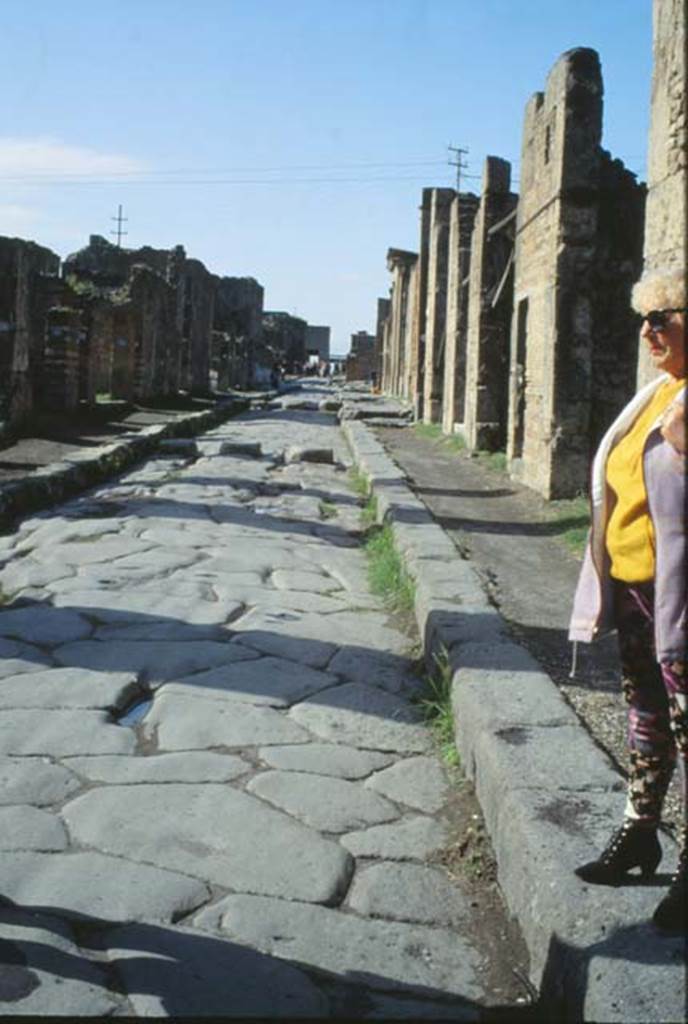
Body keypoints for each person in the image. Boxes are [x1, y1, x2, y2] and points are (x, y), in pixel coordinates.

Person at [569, 267, 687, 935]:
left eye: (666, 315)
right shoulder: (656, 394)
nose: (650, 328)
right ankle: (640, 833)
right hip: (638, 592)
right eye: (645, 317)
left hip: (682, 598)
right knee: (644, 713)